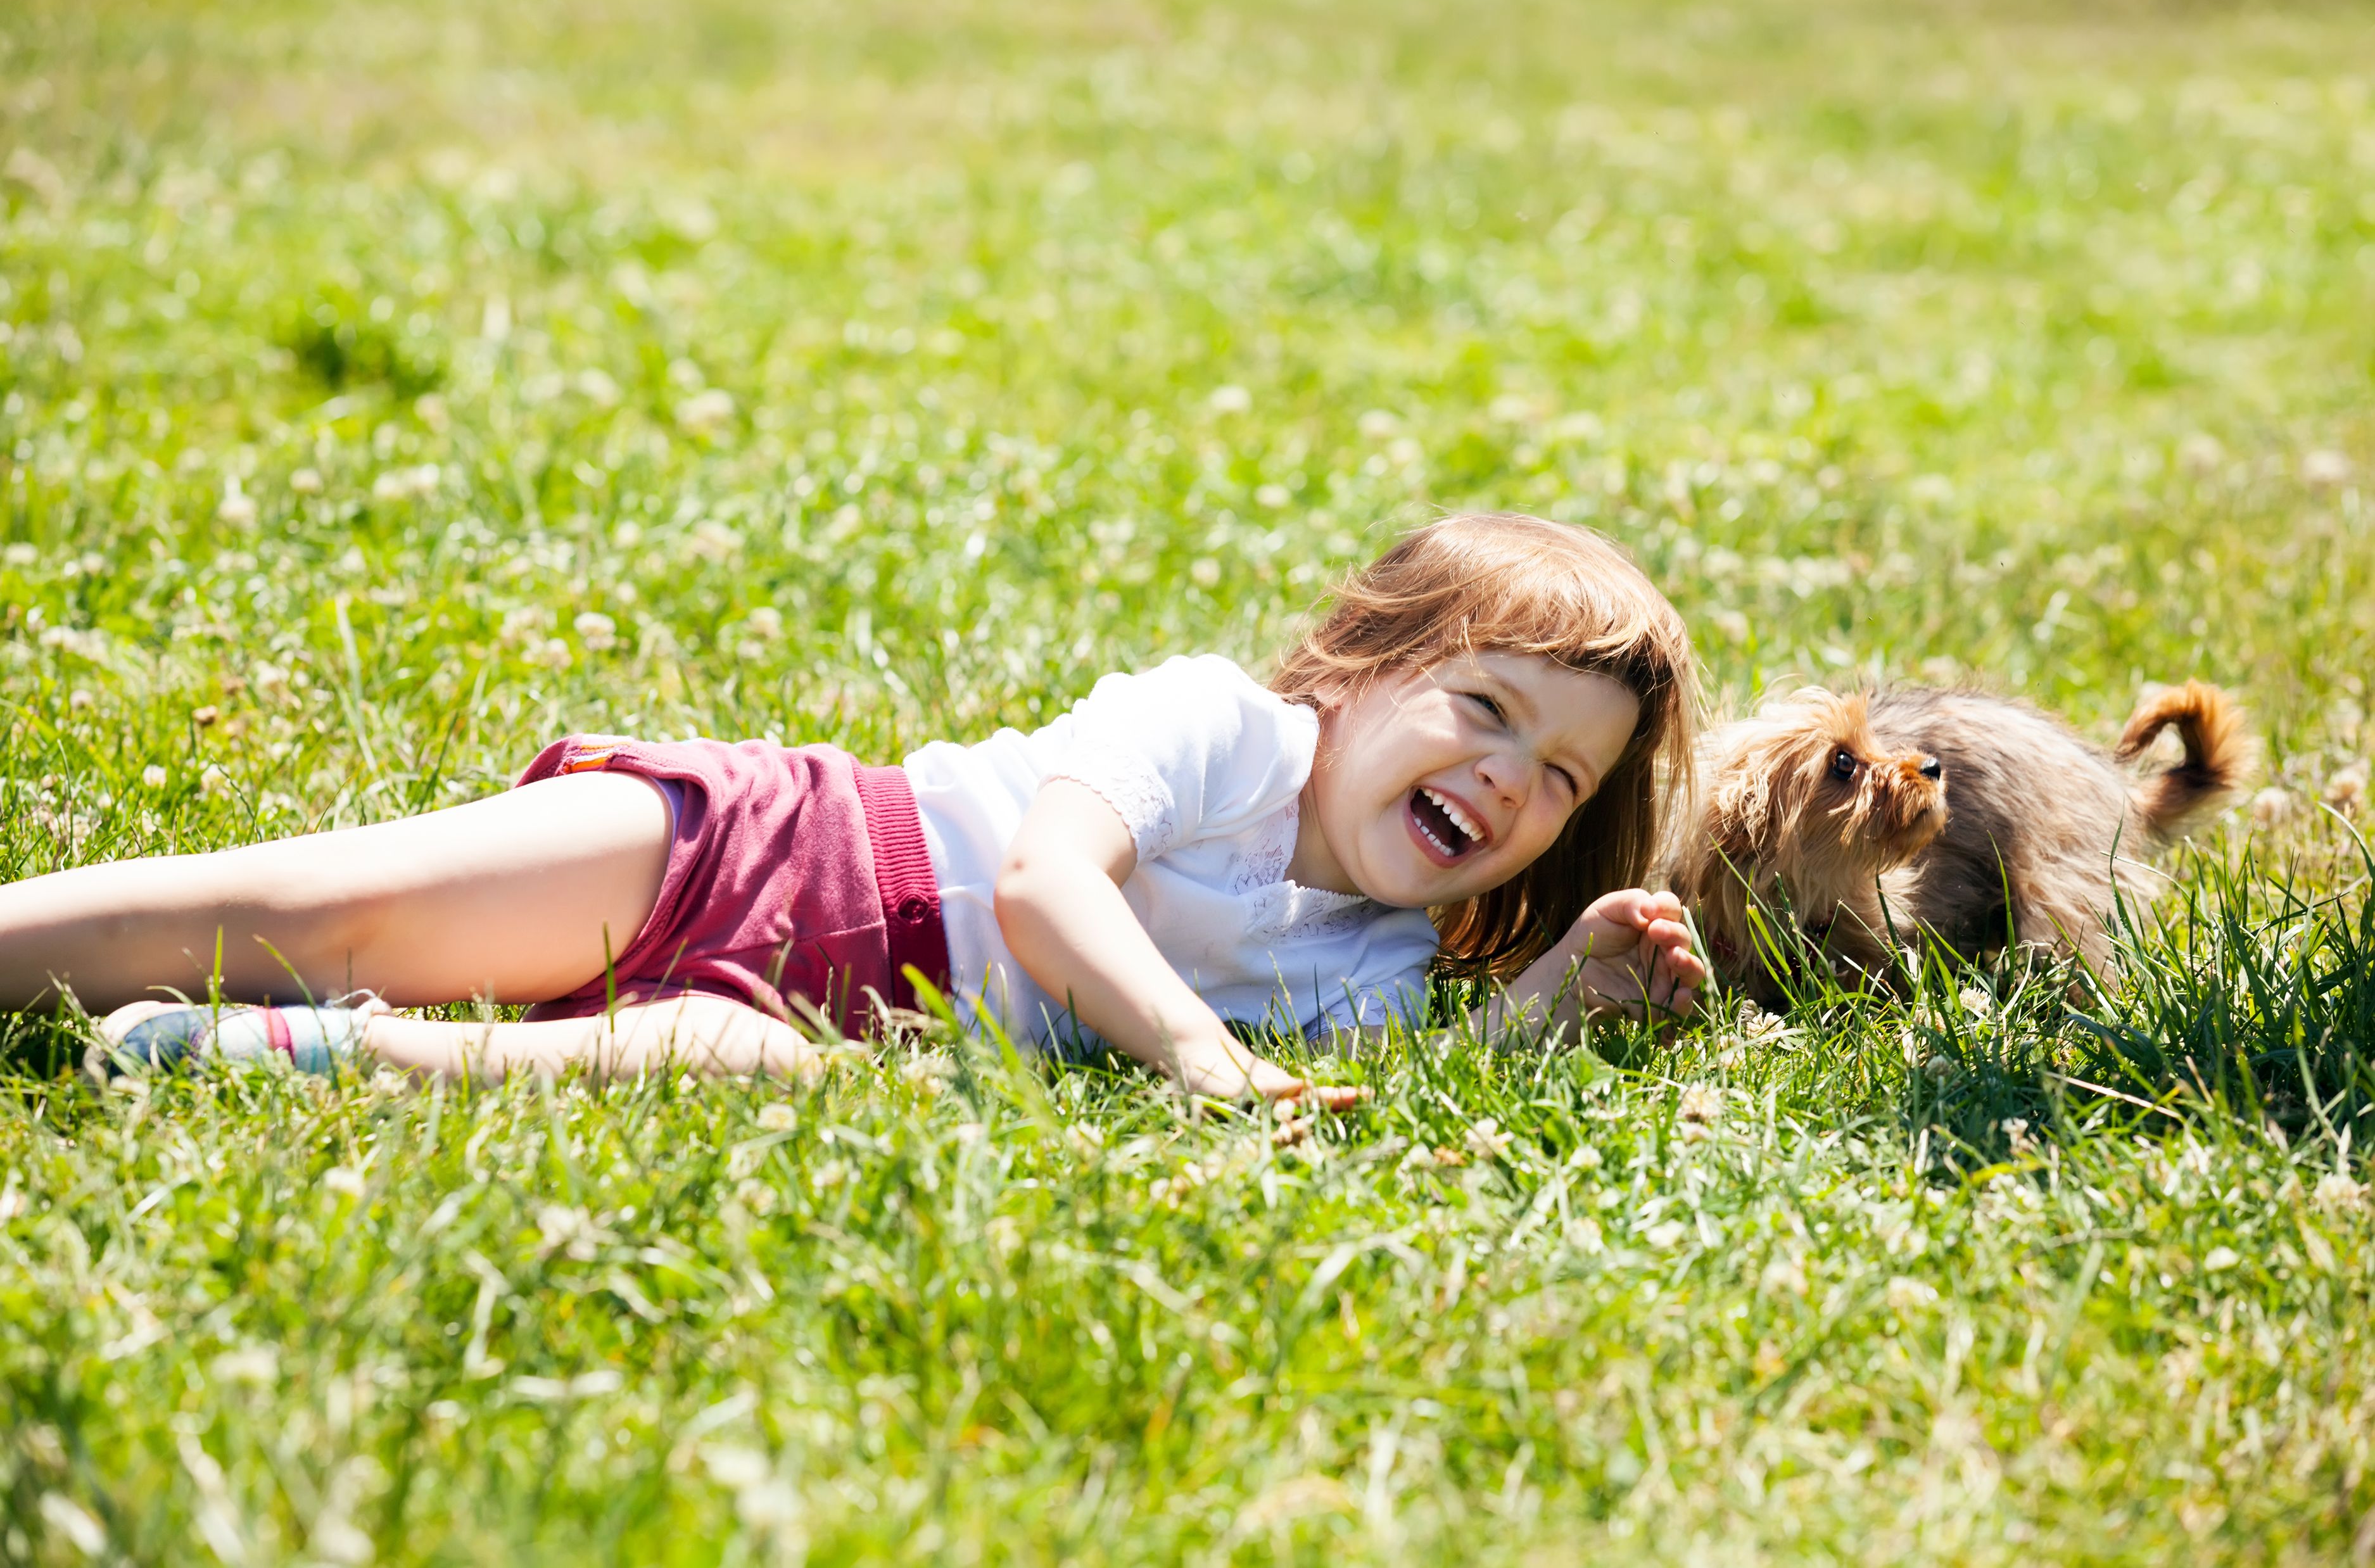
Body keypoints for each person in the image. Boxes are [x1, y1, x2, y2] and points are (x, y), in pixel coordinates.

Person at [3, 512, 1706, 1105]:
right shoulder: (1228, 729)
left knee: (729, 1063)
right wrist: (1198, 1055)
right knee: (329, 911)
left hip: (857, 1021)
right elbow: (1046, 883)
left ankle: (291, 1057)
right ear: (1357, 666)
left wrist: (1551, 1002)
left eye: (1558, 779)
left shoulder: (1378, 964)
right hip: (771, 845)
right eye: (1487, 711)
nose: (1507, 779)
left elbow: (1381, 1090)